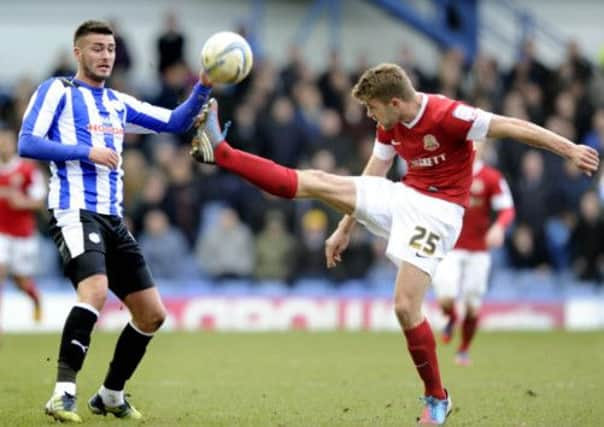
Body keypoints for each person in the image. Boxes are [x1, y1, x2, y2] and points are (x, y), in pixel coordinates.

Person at [191, 63, 599, 425]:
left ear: (395, 102)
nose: (370, 116)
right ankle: (222, 153)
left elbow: (512, 125)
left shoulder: (448, 114)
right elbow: (376, 170)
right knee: (316, 181)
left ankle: (437, 397)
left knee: (405, 306)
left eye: (373, 108)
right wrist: (346, 227)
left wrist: (568, 149)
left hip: (440, 214)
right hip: (402, 196)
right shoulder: (388, 121)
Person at [18, 20, 212, 423]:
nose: (105, 55)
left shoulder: (118, 104)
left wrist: (204, 86)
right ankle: (63, 394)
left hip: (112, 218)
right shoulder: (58, 90)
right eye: (96, 48)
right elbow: (28, 142)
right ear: (78, 53)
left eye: (109, 49)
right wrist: (86, 152)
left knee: (151, 314)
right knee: (95, 290)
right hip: (73, 209)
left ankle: (109, 394)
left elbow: (175, 122)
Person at [432, 143, 516, 366]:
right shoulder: (447, 172)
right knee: (446, 295)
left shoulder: (491, 177)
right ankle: (451, 317)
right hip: (450, 247)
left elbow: (507, 208)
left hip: (478, 250)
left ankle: (464, 348)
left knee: (472, 305)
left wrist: (499, 227)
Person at [0, 127, 45, 323]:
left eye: (6, 142)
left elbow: (40, 201)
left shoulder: (27, 170)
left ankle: (35, 298)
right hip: (1, 232)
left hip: (23, 234)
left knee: (21, 282)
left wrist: (22, 202)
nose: (3, 146)